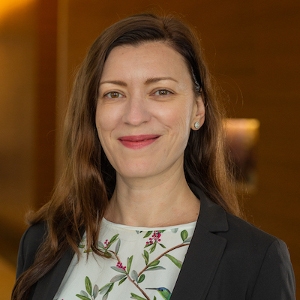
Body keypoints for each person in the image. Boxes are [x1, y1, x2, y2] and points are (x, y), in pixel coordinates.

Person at [12, 13, 295, 300]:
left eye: (161, 91)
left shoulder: (256, 260)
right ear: (92, 112)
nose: (134, 116)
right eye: (113, 94)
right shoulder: (45, 241)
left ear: (198, 110)